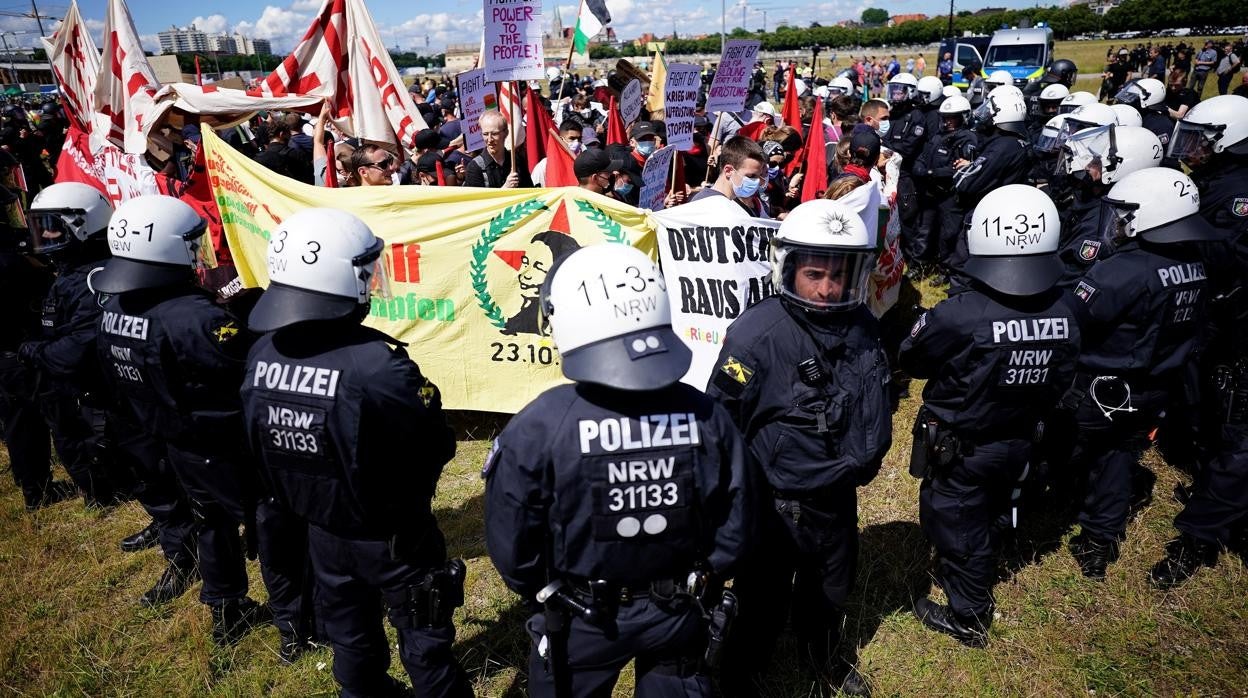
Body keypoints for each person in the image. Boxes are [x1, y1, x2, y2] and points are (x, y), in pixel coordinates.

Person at [484, 242, 751, 698]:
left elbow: (512, 542)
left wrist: (540, 589)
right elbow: (738, 516)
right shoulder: (707, 415)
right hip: (681, 606)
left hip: (581, 616)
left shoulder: (540, 425)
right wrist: (711, 571)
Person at [242, 208, 471, 695]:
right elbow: (435, 444)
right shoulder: (378, 366)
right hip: (395, 539)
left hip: (320, 531)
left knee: (351, 640)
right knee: (424, 644)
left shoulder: (262, 353)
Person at [92, 195, 313, 652]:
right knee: (273, 530)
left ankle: (226, 610)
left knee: (210, 522)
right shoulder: (196, 318)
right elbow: (248, 372)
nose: (200, 253)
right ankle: (295, 627)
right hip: (228, 445)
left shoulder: (113, 307)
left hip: (175, 443)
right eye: (193, 244)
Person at [708, 199, 890, 696]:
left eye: (840, 274)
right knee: (760, 603)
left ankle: (823, 656)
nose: (828, 287)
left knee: (830, 591)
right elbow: (720, 423)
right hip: (776, 506)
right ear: (786, 268)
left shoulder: (863, 327)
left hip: (835, 495)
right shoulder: (755, 336)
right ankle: (742, 674)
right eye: (814, 274)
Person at [902, 185, 1079, 647]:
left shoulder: (961, 313)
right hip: (1023, 436)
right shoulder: (1068, 306)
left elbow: (914, 358)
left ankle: (969, 615)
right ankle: (991, 550)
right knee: (1000, 503)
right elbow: (1065, 375)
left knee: (956, 523)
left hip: (964, 446)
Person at [1064, 168, 1222, 580]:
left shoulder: (1123, 270)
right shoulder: (1195, 263)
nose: (1118, 221)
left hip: (1101, 388)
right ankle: (1100, 538)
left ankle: (1062, 519)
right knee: (1118, 455)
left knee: (1074, 445)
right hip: (1157, 387)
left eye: (1127, 212)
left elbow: (1075, 319)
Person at [1149, 94, 1248, 587]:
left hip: (1235, 326)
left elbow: (1222, 259)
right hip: (1218, 328)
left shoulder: (1237, 194)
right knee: (1213, 415)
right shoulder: (1215, 183)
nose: (1192, 150)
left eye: (1202, 142)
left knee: (1238, 443)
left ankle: (1198, 537)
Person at [18, 182, 128, 508]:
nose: (45, 237)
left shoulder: (92, 277)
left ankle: (109, 491)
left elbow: (81, 345)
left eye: (52, 229)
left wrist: (35, 352)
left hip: (92, 389)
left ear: (83, 226)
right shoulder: (71, 274)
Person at [1053, 125, 1164, 287]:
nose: (1087, 166)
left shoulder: (1104, 219)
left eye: (1097, 161)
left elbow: (1068, 274)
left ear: (1123, 166)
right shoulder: (1092, 196)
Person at [948, 86, 1032, 276]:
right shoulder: (1018, 140)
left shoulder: (1001, 147)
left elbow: (964, 183)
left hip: (986, 214)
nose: (984, 113)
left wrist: (968, 169)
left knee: (963, 266)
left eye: (990, 109)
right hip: (1004, 212)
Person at [913, 96, 977, 272]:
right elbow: (923, 157)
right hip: (930, 191)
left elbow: (959, 169)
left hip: (949, 194)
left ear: (963, 117)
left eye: (952, 117)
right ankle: (920, 266)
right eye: (945, 117)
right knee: (924, 230)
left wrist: (932, 173)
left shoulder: (967, 139)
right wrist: (920, 169)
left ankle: (946, 269)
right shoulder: (937, 136)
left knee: (948, 234)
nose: (947, 122)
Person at [883, 73, 931, 274]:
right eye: (893, 90)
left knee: (907, 218)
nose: (895, 95)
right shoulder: (891, 113)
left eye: (900, 91)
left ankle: (914, 263)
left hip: (906, 176)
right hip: (889, 172)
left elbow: (908, 148)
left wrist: (887, 147)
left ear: (910, 92)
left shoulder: (917, 117)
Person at [690, 136, 769, 217]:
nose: (759, 182)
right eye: (751, 176)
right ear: (728, 171)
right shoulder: (703, 204)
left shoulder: (737, 204)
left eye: (759, 175)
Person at [464, 110, 531, 188]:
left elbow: (529, 191)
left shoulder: (517, 161)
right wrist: (506, 188)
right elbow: (478, 199)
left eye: (494, 134)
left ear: (506, 133)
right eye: (485, 134)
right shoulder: (475, 167)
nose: (489, 140)